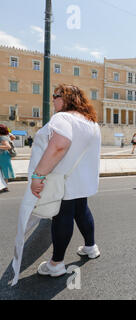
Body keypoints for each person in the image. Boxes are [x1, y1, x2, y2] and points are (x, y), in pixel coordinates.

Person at [12, 84, 102, 282]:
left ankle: (56, 264)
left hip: (64, 179)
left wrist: (38, 176)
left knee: (62, 216)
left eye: (56, 95)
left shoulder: (63, 118)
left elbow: (59, 146)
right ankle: (90, 247)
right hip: (81, 180)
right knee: (82, 210)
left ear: (67, 98)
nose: (52, 99)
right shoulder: (91, 122)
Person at [0, 124, 15, 193]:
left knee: (4, 171)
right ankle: (4, 186)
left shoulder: (2, 137)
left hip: (3, 156)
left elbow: (8, 146)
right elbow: (13, 137)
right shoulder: (5, 136)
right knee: (4, 171)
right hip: (4, 156)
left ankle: (4, 187)